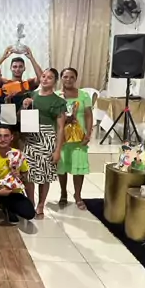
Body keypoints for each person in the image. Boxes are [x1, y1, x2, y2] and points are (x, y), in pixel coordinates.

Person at [21, 68, 66, 219]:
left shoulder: (58, 101)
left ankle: (41, 204)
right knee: (28, 173)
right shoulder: (32, 95)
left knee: (44, 174)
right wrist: (26, 104)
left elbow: (60, 128)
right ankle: (30, 201)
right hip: (30, 138)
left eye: (50, 77)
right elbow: (23, 114)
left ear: (55, 81)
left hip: (47, 138)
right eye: (44, 76)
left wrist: (58, 150)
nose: (45, 79)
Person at [0, 125, 35, 230]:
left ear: (11, 137)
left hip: (13, 191)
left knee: (29, 214)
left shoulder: (18, 154)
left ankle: (8, 207)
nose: (2, 139)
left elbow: (25, 174)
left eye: (6, 136)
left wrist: (20, 176)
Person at [56, 67, 93, 210]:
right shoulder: (57, 95)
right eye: (65, 77)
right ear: (61, 78)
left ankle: (78, 195)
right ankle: (63, 193)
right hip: (62, 138)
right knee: (62, 167)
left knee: (79, 168)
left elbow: (88, 115)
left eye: (72, 77)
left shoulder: (83, 95)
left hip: (79, 137)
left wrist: (88, 134)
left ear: (76, 79)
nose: (68, 80)